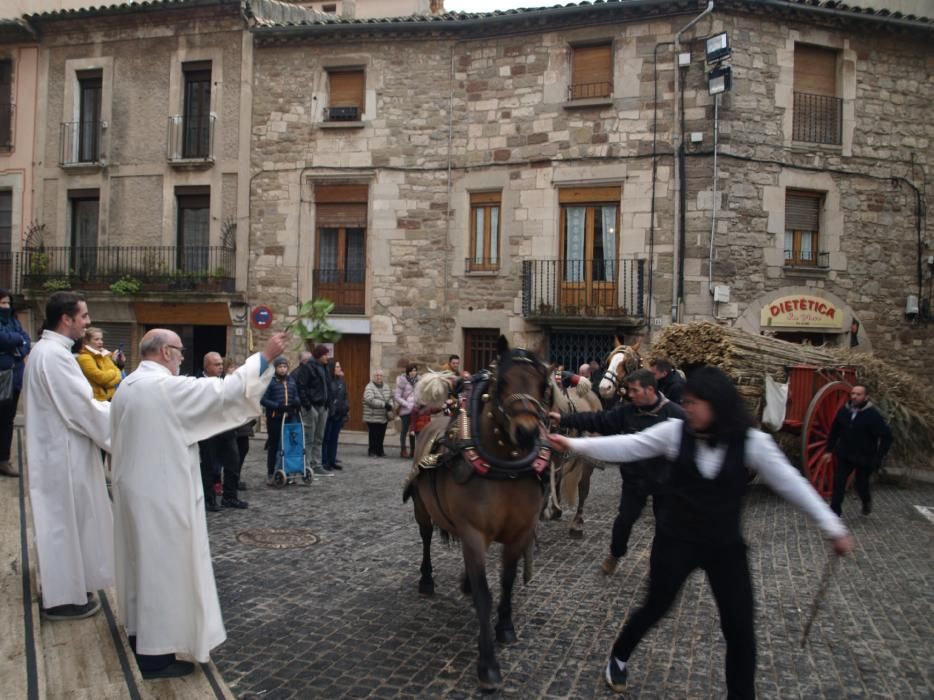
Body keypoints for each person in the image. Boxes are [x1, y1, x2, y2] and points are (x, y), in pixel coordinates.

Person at [547, 366, 853, 697]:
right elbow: (629, 445)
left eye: (695, 402)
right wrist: (574, 445)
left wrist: (832, 526)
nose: (688, 407)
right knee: (655, 607)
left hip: (725, 547)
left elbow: (792, 484)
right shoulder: (675, 433)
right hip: (676, 541)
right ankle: (619, 656)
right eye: (687, 401)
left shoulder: (753, 443)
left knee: (739, 629)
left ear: (717, 403)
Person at [110, 328, 287, 679]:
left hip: (135, 488)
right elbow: (223, 393)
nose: (181, 357)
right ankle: (156, 654)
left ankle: (139, 633)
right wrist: (265, 357)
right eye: (178, 351)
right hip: (162, 494)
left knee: (140, 565)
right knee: (162, 570)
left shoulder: (128, 385)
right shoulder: (163, 387)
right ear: (164, 353)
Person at [23, 291, 112, 620]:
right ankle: (62, 599)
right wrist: (122, 422)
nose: (88, 323)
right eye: (84, 316)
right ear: (67, 319)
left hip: (58, 450)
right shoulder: (55, 356)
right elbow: (81, 408)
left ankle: (71, 587)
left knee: (67, 522)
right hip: (62, 453)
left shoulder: (46, 351)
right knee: (62, 524)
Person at [549, 368, 685, 575]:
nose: (630, 395)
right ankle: (615, 554)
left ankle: (658, 565)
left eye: (634, 390)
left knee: (666, 526)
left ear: (650, 389)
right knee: (624, 521)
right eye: (628, 390)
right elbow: (599, 420)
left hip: (665, 483)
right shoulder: (627, 412)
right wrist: (564, 420)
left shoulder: (674, 414)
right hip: (635, 481)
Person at [824, 384, 892, 517]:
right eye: (853, 394)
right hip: (845, 454)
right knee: (839, 482)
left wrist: (879, 456)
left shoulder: (873, 416)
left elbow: (887, 437)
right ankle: (834, 512)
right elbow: (834, 432)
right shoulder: (844, 411)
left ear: (866, 397)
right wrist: (829, 450)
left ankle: (866, 501)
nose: (854, 396)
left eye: (858, 394)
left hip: (864, 456)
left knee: (861, 485)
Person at [199, 352, 248, 510]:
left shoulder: (225, 382)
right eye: (216, 364)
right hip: (208, 430)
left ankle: (230, 497)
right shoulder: (199, 383)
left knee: (233, 463)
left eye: (221, 364)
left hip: (226, 429)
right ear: (206, 366)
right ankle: (208, 499)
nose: (220, 367)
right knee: (208, 466)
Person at [0, 290, 30, 477]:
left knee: (7, 420)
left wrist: (18, 340)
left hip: (14, 377)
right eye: (2, 303)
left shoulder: (14, 320)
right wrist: (17, 339)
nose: (6, 307)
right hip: (1, 375)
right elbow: (3, 339)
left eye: (7, 303)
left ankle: (3, 459)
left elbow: (25, 340)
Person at [261, 356, 302, 484]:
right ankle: (271, 472)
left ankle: (287, 470)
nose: (283, 369)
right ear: (276, 368)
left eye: (284, 367)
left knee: (289, 445)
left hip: (289, 417)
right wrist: (277, 406)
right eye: (280, 367)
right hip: (275, 418)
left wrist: (296, 403)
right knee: (274, 445)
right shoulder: (270, 382)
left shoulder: (291, 381)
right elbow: (263, 399)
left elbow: (295, 395)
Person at [293, 346, 331, 476]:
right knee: (309, 437)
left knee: (319, 438)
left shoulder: (325, 367)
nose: (328, 357)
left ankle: (316, 464)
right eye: (326, 354)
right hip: (312, 408)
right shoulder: (308, 367)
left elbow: (327, 387)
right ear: (319, 355)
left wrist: (328, 404)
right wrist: (308, 406)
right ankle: (306, 465)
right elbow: (301, 387)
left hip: (323, 407)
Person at [225, 357, 256, 491]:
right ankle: (229, 482)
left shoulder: (242, 384)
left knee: (243, 450)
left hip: (243, 424)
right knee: (231, 455)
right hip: (231, 424)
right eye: (232, 367)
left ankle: (236, 479)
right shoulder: (224, 383)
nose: (235, 369)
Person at [77, 327, 125, 401]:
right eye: (96, 339)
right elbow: (101, 378)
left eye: (101, 339)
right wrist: (113, 372)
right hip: (97, 400)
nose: (100, 342)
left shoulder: (104, 355)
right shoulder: (84, 358)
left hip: (111, 398)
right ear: (87, 341)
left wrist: (116, 366)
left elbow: (118, 374)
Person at [321, 359, 349, 471]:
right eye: (337, 367)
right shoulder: (328, 381)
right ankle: (325, 461)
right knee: (326, 439)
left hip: (339, 414)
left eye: (340, 366)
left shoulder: (341, 380)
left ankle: (332, 460)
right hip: (329, 414)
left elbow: (345, 395)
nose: (339, 369)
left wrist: (346, 408)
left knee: (334, 438)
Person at [363, 369, 392, 457]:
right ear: (374, 377)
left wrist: (391, 405)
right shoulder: (369, 387)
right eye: (377, 375)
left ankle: (380, 451)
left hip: (383, 415)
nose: (379, 377)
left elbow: (390, 397)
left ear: (383, 377)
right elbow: (369, 400)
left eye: (380, 375)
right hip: (372, 415)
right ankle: (372, 451)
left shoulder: (386, 387)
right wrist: (384, 404)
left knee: (381, 434)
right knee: (373, 434)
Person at [394, 363, 418, 458]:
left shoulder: (418, 381)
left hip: (415, 411)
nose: (413, 372)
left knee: (413, 431)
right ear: (408, 372)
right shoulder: (402, 382)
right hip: (406, 410)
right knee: (404, 431)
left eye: (415, 370)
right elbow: (397, 396)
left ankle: (413, 450)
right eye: (411, 370)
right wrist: (407, 404)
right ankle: (403, 450)